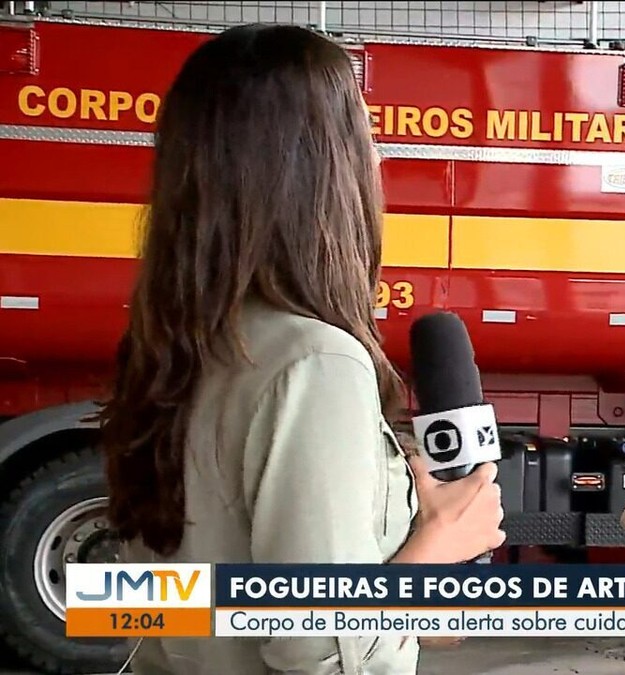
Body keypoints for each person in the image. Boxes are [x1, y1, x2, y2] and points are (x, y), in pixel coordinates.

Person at [97, 23, 505, 674]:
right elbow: (324, 654)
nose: (378, 164)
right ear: (324, 172)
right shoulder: (315, 362)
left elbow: (153, 609)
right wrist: (439, 546)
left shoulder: (175, 350)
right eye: (364, 138)